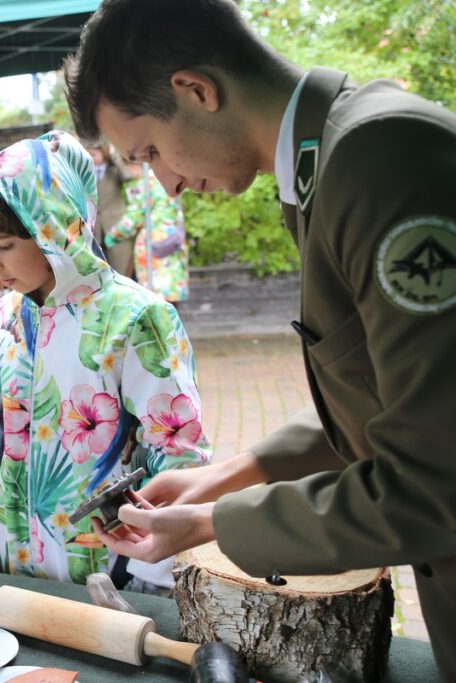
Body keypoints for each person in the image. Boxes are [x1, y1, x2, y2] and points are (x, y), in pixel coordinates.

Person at [63, 0, 456, 675]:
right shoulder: (329, 162)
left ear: (196, 90)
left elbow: (433, 481)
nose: (167, 185)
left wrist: (215, 520)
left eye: (150, 150)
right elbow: (388, 403)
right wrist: (224, 474)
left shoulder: (379, 158)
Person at [0, 132, 210, 591]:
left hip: (109, 573)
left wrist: (150, 578)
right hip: (12, 568)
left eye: (3, 245)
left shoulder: (137, 318)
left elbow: (181, 456)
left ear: (54, 226)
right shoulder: (6, 315)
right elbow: (7, 430)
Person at [108, 164, 190, 304]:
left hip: (154, 243)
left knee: (154, 293)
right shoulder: (169, 177)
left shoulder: (146, 182)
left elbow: (133, 219)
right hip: (173, 237)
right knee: (171, 290)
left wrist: (111, 236)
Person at [88, 144, 132, 277]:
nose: (91, 157)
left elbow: (128, 175)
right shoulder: (85, 173)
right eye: (88, 154)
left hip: (116, 228)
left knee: (121, 271)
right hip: (95, 233)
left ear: (103, 153)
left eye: (94, 154)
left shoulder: (114, 171)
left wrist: (113, 155)